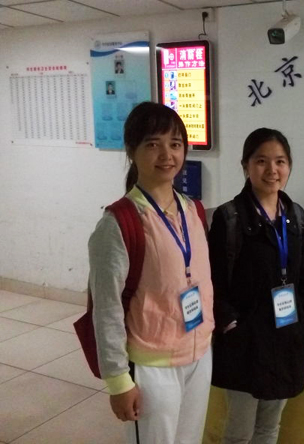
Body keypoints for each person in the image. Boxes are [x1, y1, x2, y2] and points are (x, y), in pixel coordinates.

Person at [88, 102, 214, 444]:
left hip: (199, 355)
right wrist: (118, 381)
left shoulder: (193, 209)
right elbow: (106, 309)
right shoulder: (119, 222)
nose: (166, 154)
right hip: (150, 365)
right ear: (132, 151)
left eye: (175, 144)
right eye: (153, 144)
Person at [208, 128, 304, 444]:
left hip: (286, 336)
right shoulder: (229, 217)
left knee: (270, 426)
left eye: (280, 161)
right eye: (261, 161)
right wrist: (231, 325)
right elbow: (213, 280)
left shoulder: (296, 216)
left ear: (289, 166)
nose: (272, 170)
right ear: (246, 165)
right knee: (240, 432)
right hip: (245, 340)